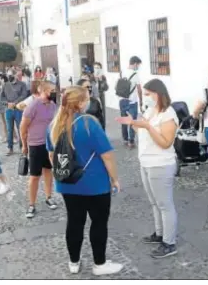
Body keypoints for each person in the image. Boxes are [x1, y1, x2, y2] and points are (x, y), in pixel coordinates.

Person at [46, 86, 123, 276]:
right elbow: (107, 156)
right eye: (87, 98)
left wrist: (63, 172)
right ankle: (99, 264)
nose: (89, 101)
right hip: (95, 183)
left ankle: (74, 262)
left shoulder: (54, 125)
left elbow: (51, 155)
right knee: (98, 223)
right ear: (81, 103)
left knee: (74, 221)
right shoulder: (89, 123)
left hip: (68, 183)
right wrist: (114, 179)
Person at [116, 79, 179, 258]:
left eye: (148, 94)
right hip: (146, 163)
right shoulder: (150, 111)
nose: (145, 97)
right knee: (154, 202)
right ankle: (159, 234)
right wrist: (133, 124)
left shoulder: (168, 114)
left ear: (158, 93)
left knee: (165, 204)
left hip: (161, 164)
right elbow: (143, 133)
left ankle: (169, 242)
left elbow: (165, 143)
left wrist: (147, 126)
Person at [20, 81, 59, 218]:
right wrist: (24, 145)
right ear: (43, 90)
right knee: (35, 176)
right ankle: (31, 204)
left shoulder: (53, 105)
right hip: (35, 144)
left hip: (49, 144)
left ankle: (49, 197)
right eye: (52, 90)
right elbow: (23, 127)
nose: (54, 92)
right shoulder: (33, 106)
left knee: (49, 171)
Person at [119, 56, 143, 149]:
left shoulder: (122, 71)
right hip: (132, 101)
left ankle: (125, 139)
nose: (138, 67)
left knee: (124, 120)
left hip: (122, 100)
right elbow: (139, 89)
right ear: (135, 63)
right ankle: (131, 141)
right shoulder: (135, 74)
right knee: (132, 121)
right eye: (138, 65)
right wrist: (141, 101)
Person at [0, 74, 28, 155]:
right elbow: (2, 97)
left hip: (19, 109)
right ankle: (10, 148)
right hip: (9, 109)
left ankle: (22, 146)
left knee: (20, 128)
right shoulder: (5, 85)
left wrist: (14, 103)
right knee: (9, 129)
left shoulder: (22, 84)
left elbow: (24, 95)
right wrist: (7, 103)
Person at [0, 74, 9, 142]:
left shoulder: (7, 86)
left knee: (8, 123)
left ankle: (13, 136)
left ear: (3, 79)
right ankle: (6, 136)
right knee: (4, 123)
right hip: (0, 107)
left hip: (5, 106)